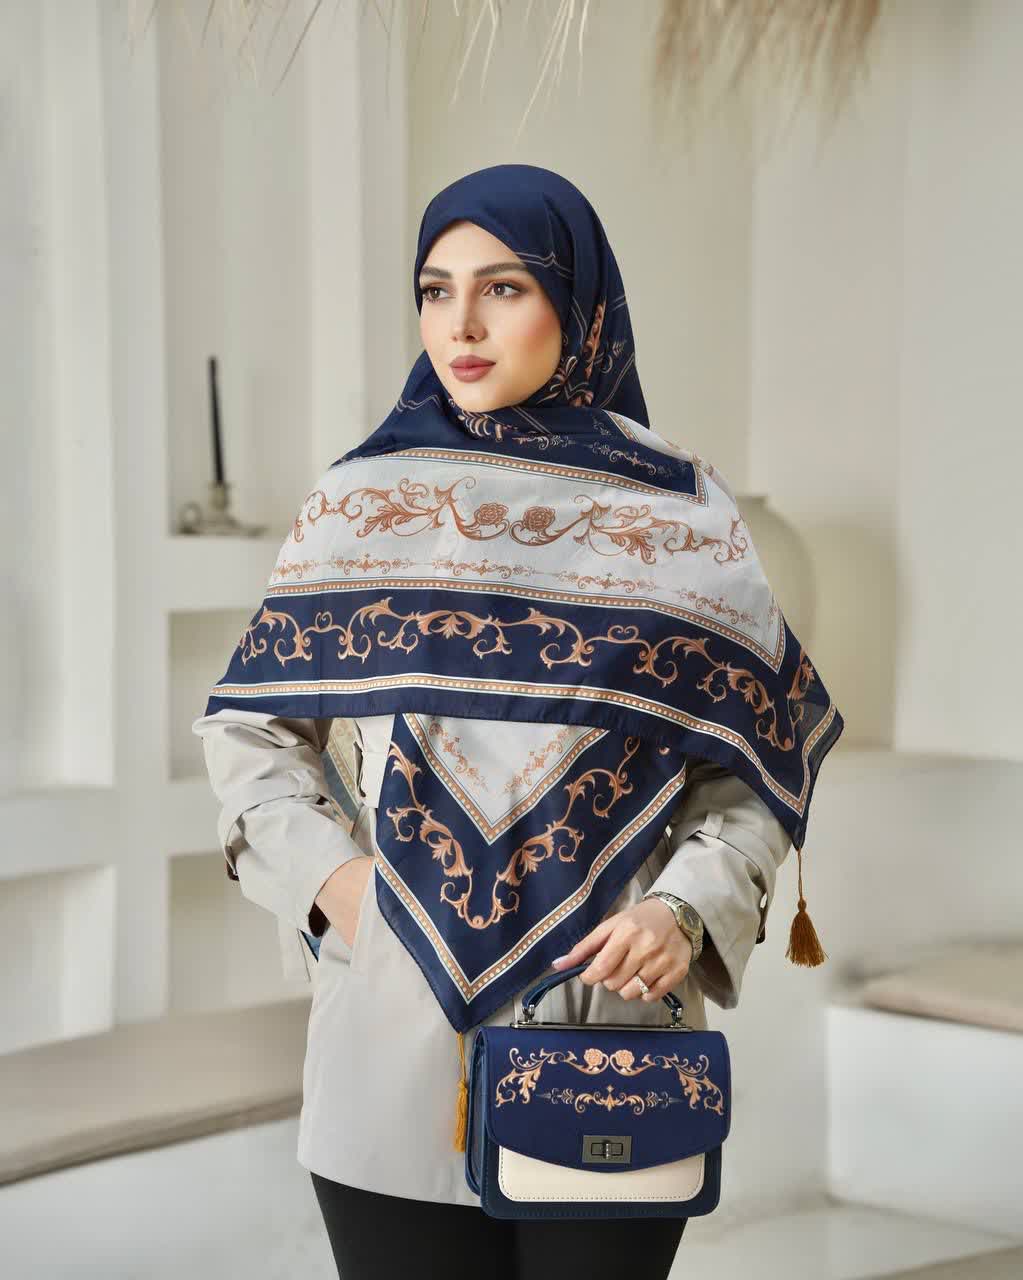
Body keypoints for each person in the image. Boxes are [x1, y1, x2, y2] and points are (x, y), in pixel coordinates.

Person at [192, 164, 842, 1280]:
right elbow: (250, 731)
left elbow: (748, 773)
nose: (462, 324)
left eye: (503, 287)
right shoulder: (361, 505)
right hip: (393, 1024)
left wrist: (685, 910)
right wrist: (338, 887)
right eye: (435, 290)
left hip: (611, 1032)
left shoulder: (679, 518)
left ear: (577, 302)